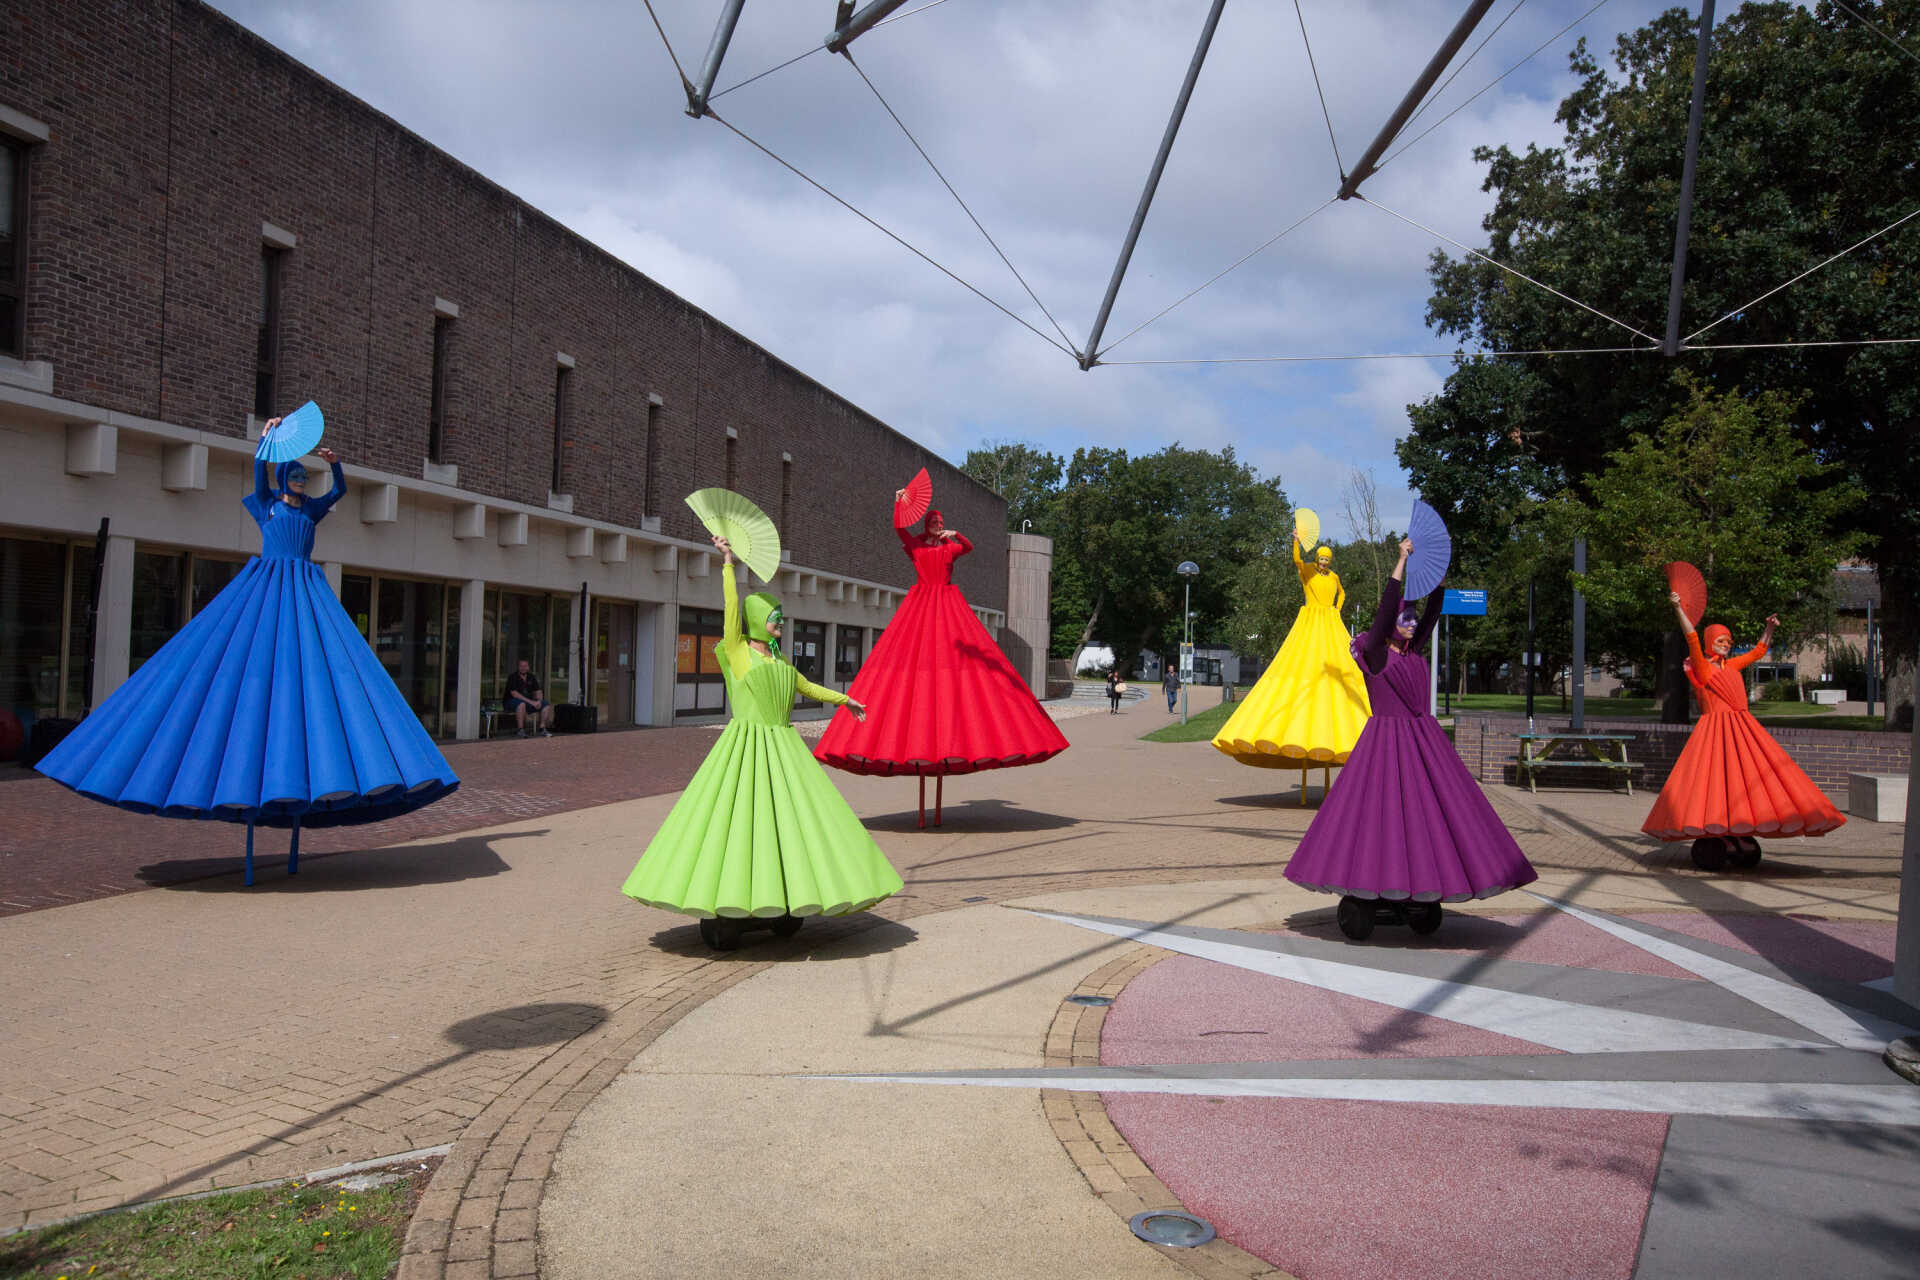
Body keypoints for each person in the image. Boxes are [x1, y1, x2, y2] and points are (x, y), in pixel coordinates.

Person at [37, 419, 459, 842]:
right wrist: (265, 439)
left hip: (304, 589)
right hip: (269, 585)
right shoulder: (266, 503)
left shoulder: (310, 509)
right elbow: (258, 472)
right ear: (282, 479)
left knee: (311, 673)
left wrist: (335, 465)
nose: (298, 481)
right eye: (293, 475)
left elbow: (339, 494)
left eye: (301, 476)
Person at [624, 535, 902, 946]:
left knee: (787, 825)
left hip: (784, 749)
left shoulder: (781, 660)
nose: (780, 622)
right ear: (756, 620)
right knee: (741, 825)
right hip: (746, 749)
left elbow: (806, 686)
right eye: (774, 616)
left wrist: (845, 699)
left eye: (781, 617)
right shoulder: (738, 653)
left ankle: (786, 894)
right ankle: (735, 900)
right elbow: (730, 610)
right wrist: (727, 564)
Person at [1284, 538, 1535, 936]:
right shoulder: (1376, 653)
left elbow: (1432, 611)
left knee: (1426, 820)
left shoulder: (1412, 653)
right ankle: (1375, 885)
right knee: (1382, 821)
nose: (1413, 623)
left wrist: (1436, 578)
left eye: (1414, 619)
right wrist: (1400, 563)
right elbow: (1386, 612)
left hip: (1424, 746)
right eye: (1407, 618)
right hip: (1384, 747)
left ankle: (1424, 885)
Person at [815, 486, 1068, 781]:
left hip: (947, 602)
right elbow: (899, 529)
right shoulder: (918, 547)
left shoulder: (950, 548)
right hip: (922, 602)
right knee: (914, 659)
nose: (936, 526)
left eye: (939, 522)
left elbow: (970, 548)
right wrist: (898, 503)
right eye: (933, 522)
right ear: (926, 525)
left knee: (954, 664)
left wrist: (956, 534)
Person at [1641, 590, 1844, 859]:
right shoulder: (1703, 667)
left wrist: (1769, 629)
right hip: (1715, 733)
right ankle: (1719, 828)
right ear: (1711, 642)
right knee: (1717, 781)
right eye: (1721, 640)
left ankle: (1739, 826)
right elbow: (1691, 637)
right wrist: (1679, 609)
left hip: (1741, 729)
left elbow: (1759, 651)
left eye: (1728, 641)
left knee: (1744, 779)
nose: (1726, 644)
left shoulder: (1734, 666)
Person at [1213, 539, 1371, 770]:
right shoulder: (1308, 570)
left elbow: (1342, 593)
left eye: (1327, 559)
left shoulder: (1334, 577)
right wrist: (1296, 540)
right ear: (1317, 559)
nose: (1324, 562)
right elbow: (1297, 560)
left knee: (1339, 666)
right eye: (1322, 559)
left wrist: (1337, 608)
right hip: (1311, 619)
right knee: (1301, 661)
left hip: (1330, 622)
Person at [505, 659, 553, 737]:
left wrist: (539, 701)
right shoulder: (513, 677)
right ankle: (520, 730)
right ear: (518, 667)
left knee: (545, 704)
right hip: (511, 702)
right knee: (521, 704)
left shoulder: (531, 677)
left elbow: (538, 691)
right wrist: (531, 702)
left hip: (528, 702)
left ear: (528, 667)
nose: (523, 668)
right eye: (521, 666)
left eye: (525, 666)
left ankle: (542, 728)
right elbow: (515, 694)